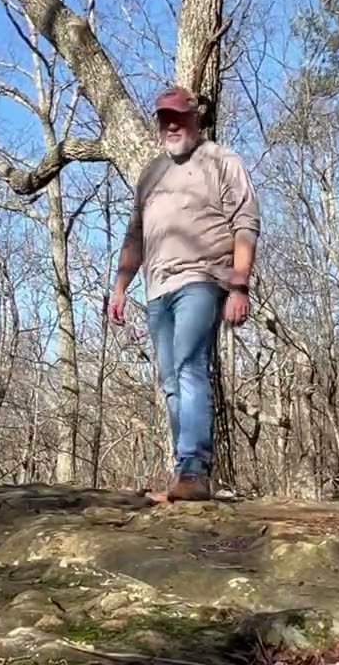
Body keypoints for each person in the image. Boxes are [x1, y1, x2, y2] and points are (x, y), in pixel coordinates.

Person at [107, 84, 261, 502]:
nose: (171, 125)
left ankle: (194, 470)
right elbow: (135, 234)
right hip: (157, 289)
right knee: (170, 380)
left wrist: (239, 285)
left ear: (195, 118)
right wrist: (120, 287)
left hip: (203, 279)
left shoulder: (221, 161)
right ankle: (182, 474)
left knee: (191, 367)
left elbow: (245, 224)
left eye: (178, 116)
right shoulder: (151, 173)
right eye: (163, 118)